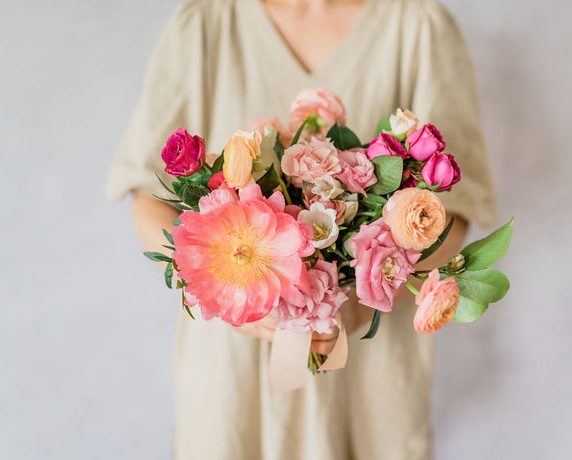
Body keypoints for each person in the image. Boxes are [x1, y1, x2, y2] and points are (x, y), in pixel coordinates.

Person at [105, 0, 499, 458]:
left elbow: (451, 213)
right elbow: (148, 198)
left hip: (368, 373)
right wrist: (231, 292)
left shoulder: (419, 28)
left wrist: (361, 293)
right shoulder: (205, 24)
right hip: (233, 374)